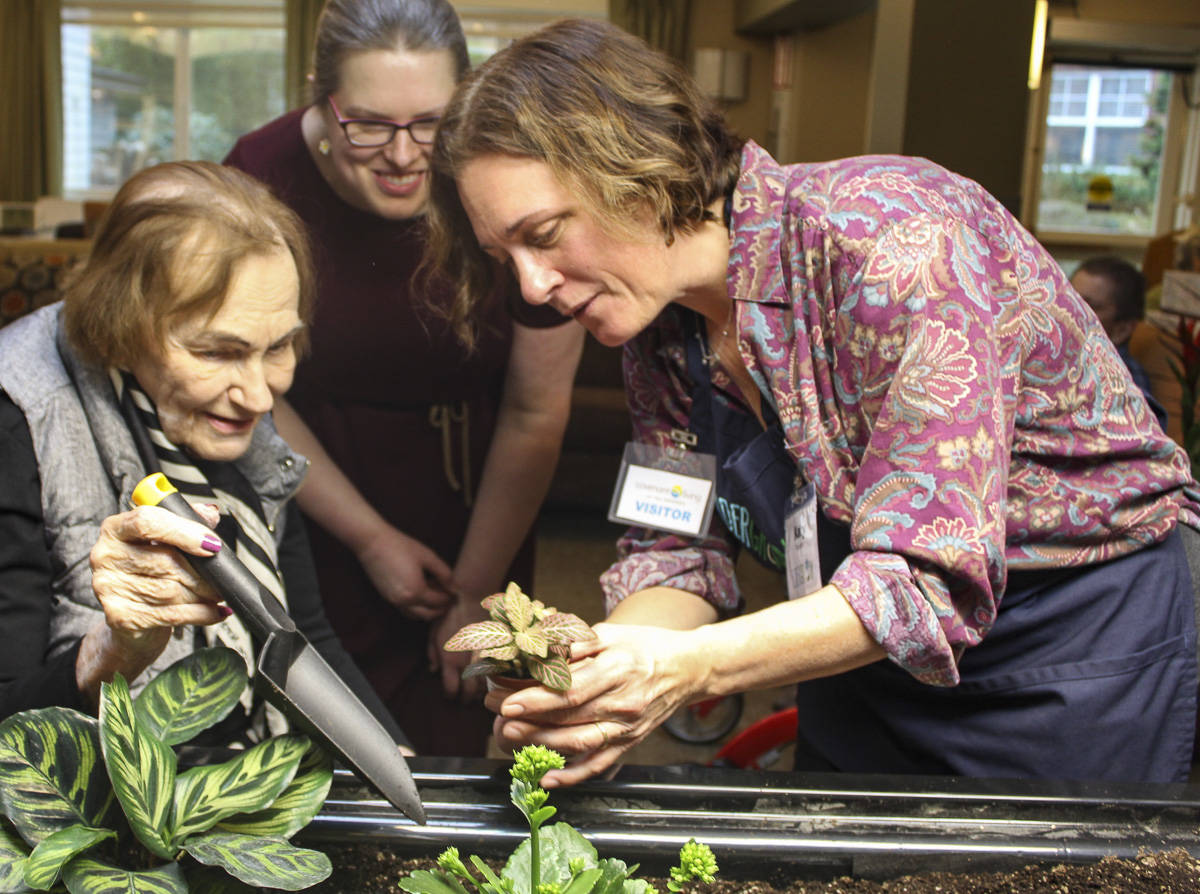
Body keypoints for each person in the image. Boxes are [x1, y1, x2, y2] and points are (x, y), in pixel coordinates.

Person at [424, 18, 1200, 785]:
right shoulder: (660, 334)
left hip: (1065, 657)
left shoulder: (894, 240)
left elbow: (922, 581)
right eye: (506, 258)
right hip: (856, 654)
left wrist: (687, 669)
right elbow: (675, 549)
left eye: (547, 232)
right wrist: (605, 674)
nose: (533, 286)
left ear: (636, 164)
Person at [224, 0, 583, 755]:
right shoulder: (260, 175)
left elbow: (534, 413)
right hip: (313, 494)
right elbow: (254, 391)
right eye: (369, 124)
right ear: (321, 95)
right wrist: (370, 538)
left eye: (431, 122)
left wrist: (473, 595)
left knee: (452, 735)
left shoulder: (514, 176)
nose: (403, 154)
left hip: (479, 501)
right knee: (317, 738)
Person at [0, 160, 406, 749]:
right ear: (120, 323)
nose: (260, 395)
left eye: (280, 346)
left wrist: (395, 755)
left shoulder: (227, 407)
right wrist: (115, 652)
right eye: (217, 352)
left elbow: (299, 633)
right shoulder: (17, 419)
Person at [1070, 255, 1168, 431]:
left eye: (1086, 305)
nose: (1067, 310)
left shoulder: (1126, 388)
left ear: (1122, 330)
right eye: (1067, 298)